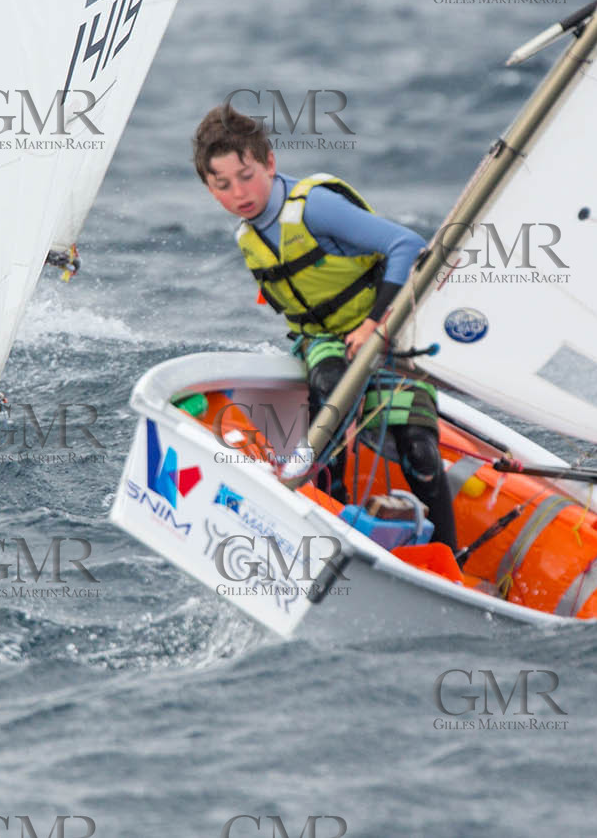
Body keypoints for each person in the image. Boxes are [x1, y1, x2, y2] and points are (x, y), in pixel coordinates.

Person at [192, 105, 458, 549]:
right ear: (209, 188)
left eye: (247, 175)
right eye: (223, 185)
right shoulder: (248, 235)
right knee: (329, 384)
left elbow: (407, 245)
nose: (240, 192)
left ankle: (453, 557)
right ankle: (328, 519)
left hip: (392, 332)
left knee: (420, 452)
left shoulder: (315, 207)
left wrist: (376, 322)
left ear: (270, 163)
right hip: (325, 342)